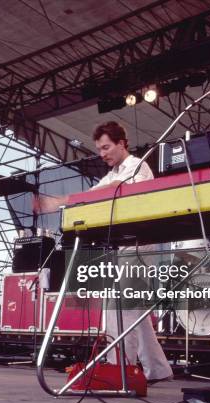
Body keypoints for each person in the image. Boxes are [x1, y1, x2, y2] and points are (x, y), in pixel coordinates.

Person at [36, 121, 173, 382]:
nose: (102, 153)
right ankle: (158, 369)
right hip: (124, 246)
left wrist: (61, 201)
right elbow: (93, 194)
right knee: (134, 310)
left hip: (140, 246)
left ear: (122, 144)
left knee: (121, 306)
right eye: (99, 149)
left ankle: (120, 368)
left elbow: (113, 190)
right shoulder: (111, 173)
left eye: (106, 147)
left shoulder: (137, 166)